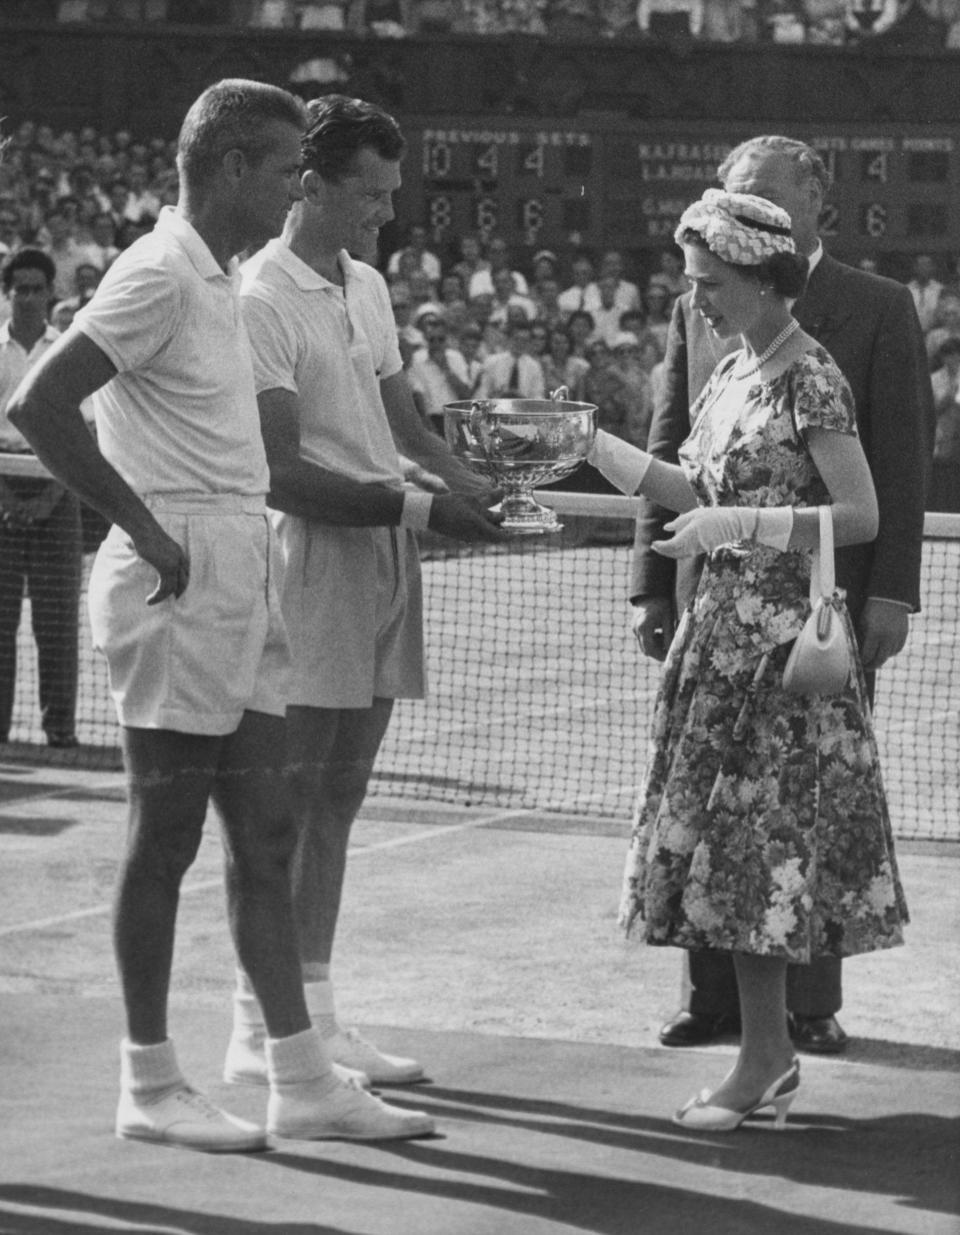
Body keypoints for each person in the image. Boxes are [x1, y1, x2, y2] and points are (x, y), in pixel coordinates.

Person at [7, 78, 434, 1153]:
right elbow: (39, 404)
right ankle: (149, 1082)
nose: (300, 183)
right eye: (288, 166)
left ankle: (298, 1073)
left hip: (240, 568)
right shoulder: (157, 272)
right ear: (236, 167)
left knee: (268, 826)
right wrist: (143, 529)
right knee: (164, 834)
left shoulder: (220, 277)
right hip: (182, 573)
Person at [590, 187, 907, 1130]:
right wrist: (588, 445)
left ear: (768, 282)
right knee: (731, 857)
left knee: (755, 855)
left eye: (712, 283)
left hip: (778, 650)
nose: (697, 302)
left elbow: (862, 514)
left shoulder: (811, 376)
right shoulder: (732, 370)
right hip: (718, 637)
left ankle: (765, 1057)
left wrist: (748, 523)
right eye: (693, 284)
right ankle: (764, 1057)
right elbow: (696, 484)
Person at [225, 92, 506, 1092]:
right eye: (369, 195)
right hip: (310, 559)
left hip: (386, 550)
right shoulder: (258, 298)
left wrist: (479, 487)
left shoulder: (370, 285)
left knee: (340, 795)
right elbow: (279, 471)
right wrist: (428, 512)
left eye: (392, 193)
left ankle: (313, 1011)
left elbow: (409, 435)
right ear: (308, 186)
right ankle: (262, 1026)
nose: (385, 213)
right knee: (290, 805)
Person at [0, 248, 81, 749]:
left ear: (50, 293)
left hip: (59, 485)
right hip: (2, 487)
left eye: (37, 288)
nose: (28, 297)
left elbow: (84, 432)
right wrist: (7, 496)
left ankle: (61, 729)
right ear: (7, 293)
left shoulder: (68, 348)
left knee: (56, 622)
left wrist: (52, 494)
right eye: (19, 288)